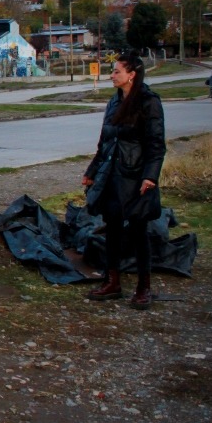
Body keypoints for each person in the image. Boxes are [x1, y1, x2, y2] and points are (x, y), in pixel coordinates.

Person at [81, 50, 166, 310]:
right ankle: (112, 281)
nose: (112, 75)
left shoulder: (149, 102)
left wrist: (150, 176)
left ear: (132, 75)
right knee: (113, 228)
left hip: (137, 177)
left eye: (117, 71)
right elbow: (104, 141)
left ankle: (143, 287)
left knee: (139, 231)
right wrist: (92, 172)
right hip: (112, 175)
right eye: (113, 71)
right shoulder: (114, 102)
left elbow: (156, 144)